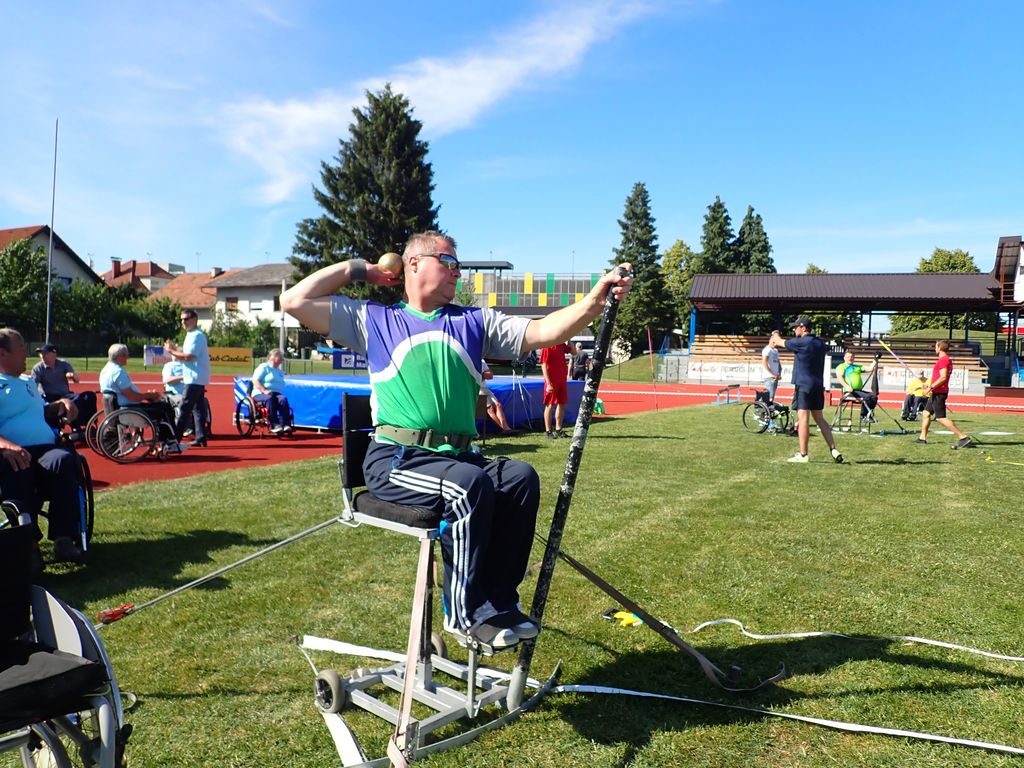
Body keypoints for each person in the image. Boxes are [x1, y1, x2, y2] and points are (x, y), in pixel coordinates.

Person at [280, 230, 631, 651]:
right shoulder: (373, 320)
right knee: (468, 486)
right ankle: (465, 615)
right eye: (448, 262)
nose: (457, 273)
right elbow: (294, 301)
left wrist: (594, 302)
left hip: (457, 457)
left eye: (458, 265)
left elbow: (543, 331)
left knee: (520, 478)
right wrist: (361, 271)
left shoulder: (473, 321)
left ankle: (498, 603)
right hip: (396, 459)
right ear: (413, 264)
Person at [0, 328, 87, 568]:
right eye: (21, 348)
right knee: (18, 466)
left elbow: (43, 410)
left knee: (64, 460)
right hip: (10, 453)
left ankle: (63, 539)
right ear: (3, 353)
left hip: (46, 449)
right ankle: (28, 544)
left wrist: (62, 404)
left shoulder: (28, 382)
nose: (26, 354)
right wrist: (6, 445)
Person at [769, 317, 843, 464]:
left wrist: (775, 333)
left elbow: (778, 342)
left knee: (803, 419)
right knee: (820, 419)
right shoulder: (820, 343)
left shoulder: (802, 342)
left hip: (803, 385)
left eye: (795, 327)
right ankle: (834, 449)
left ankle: (803, 455)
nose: (793, 329)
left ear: (803, 328)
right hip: (817, 385)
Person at [99, 344, 184, 451]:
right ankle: (170, 442)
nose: (128, 357)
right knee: (165, 408)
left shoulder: (105, 370)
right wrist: (150, 395)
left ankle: (168, 440)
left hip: (119, 407)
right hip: (129, 409)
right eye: (126, 355)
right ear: (120, 356)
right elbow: (133, 396)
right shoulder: (117, 372)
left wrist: (146, 396)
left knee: (160, 406)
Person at [164, 309, 210, 447]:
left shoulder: (196, 335)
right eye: (182, 319)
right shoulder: (192, 335)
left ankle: (175, 440)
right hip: (196, 377)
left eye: (186, 319)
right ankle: (201, 437)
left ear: (194, 319)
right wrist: (175, 351)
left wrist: (171, 351)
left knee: (184, 409)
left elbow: (189, 356)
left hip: (194, 379)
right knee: (198, 408)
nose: (183, 322)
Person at [916, 340, 973, 449]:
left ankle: (963, 437)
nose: (934, 348)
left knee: (941, 418)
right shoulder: (945, 360)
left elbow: (943, 377)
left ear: (940, 348)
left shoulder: (943, 360)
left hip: (939, 393)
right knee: (926, 413)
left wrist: (930, 387)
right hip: (936, 392)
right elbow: (939, 377)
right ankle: (922, 438)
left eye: (936, 346)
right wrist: (929, 385)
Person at [31, 343, 97, 436]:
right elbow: (33, 385)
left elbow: (77, 380)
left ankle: (86, 425)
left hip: (65, 395)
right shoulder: (38, 368)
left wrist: (72, 375)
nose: (42, 356)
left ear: (54, 354)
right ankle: (71, 425)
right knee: (66, 403)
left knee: (88, 396)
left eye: (45, 353)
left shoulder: (63, 364)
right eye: (40, 354)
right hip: (49, 397)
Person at [251, 348, 294, 434]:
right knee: (269, 399)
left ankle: (285, 424)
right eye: (280, 357)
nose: (282, 360)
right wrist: (265, 390)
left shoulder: (279, 371)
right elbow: (255, 380)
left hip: (276, 394)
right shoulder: (264, 367)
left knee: (283, 399)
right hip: (261, 393)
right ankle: (274, 425)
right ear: (274, 357)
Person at [834, 349, 878, 421]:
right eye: (848, 357)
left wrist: (875, 359)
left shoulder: (857, 367)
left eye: (852, 357)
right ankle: (863, 416)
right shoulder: (841, 366)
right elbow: (839, 377)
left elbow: (869, 369)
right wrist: (846, 386)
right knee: (868, 397)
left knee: (874, 396)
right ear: (844, 358)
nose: (850, 358)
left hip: (858, 391)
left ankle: (868, 415)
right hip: (850, 391)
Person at [541, 340, 572, 439]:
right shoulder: (547, 345)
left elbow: (574, 352)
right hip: (552, 381)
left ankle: (558, 429)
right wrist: (548, 383)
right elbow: (543, 365)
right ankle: (548, 431)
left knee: (562, 404)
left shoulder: (561, 344)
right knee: (549, 405)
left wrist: (569, 339)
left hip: (561, 380)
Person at [480, 360, 512, 434]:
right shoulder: (472, 360)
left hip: (485, 389)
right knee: (490, 409)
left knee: (498, 405)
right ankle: (504, 428)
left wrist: (483, 375)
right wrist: (484, 375)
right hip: (478, 389)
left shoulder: (482, 361)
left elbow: (490, 375)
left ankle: (506, 427)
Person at [761, 335, 782, 402]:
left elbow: (778, 363)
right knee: (769, 396)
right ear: (770, 340)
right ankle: (765, 407)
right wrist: (771, 374)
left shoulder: (775, 350)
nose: (775, 344)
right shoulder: (767, 349)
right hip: (769, 376)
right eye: (773, 342)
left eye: (776, 342)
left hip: (775, 376)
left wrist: (779, 373)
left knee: (772, 396)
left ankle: (768, 407)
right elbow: (764, 362)